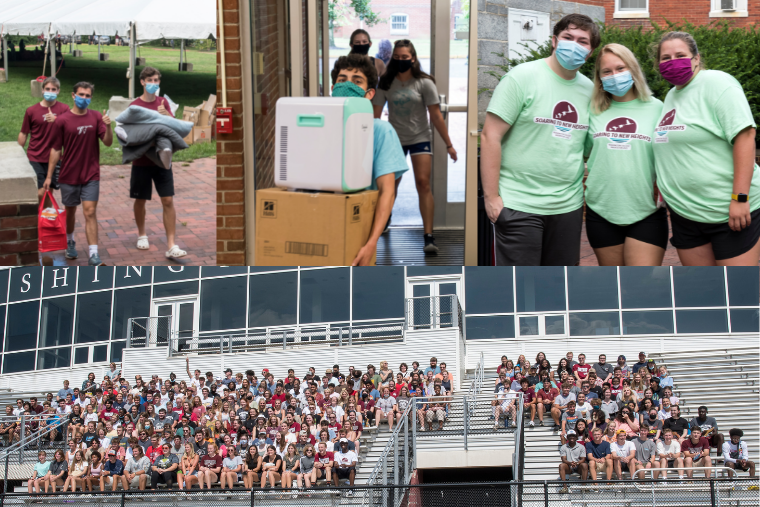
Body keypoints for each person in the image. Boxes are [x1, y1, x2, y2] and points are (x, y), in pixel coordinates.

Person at [481, 13, 600, 265]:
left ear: (590, 52)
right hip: (518, 203)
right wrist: (491, 198)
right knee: (517, 289)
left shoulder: (590, 90)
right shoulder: (521, 77)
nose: (574, 44)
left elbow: (587, 147)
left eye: (583, 41)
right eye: (568, 37)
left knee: (558, 287)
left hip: (567, 206)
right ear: (554, 41)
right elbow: (490, 135)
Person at [651, 31, 760, 266]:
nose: (672, 62)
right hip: (686, 215)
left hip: (727, 212)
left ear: (696, 58)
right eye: (665, 58)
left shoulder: (717, 83)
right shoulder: (671, 96)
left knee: (736, 295)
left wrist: (740, 198)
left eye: (680, 55)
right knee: (703, 295)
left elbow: (745, 135)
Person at [373, 39, 458, 254]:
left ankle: (429, 236)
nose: (401, 61)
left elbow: (436, 116)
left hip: (420, 137)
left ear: (413, 58)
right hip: (394, 139)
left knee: (423, 184)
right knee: (391, 185)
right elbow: (374, 114)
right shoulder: (386, 82)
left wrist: (449, 145)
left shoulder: (424, 83)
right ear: (393, 58)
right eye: (397, 57)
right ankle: (384, 220)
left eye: (405, 57)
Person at [585, 46, 668, 264]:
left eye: (620, 68)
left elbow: (671, 152)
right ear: (599, 78)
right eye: (607, 71)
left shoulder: (658, 108)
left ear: (633, 70)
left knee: (641, 287)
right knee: (613, 286)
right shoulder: (592, 110)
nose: (614, 76)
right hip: (601, 209)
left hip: (645, 209)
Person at [329, 54, 408, 266]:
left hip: (357, 231)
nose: (347, 85)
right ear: (333, 87)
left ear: (369, 93)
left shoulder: (380, 131)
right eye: (342, 79)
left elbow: (387, 191)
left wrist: (371, 243)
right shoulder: (320, 127)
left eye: (357, 81)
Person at [44, 81, 113, 265]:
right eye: (81, 94)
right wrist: (49, 176)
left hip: (91, 174)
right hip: (69, 175)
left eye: (88, 95)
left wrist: (109, 126)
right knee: (71, 211)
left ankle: (93, 254)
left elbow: (107, 142)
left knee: (90, 212)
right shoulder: (62, 120)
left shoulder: (97, 117)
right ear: (73, 95)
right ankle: (70, 241)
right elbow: (56, 150)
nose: (84, 98)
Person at [128, 66, 187, 259]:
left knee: (168, 200)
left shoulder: (163, 103)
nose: (154, 84)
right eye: (150, 80)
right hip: (142, 162)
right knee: (140, 199)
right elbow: (130, 133)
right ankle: (142, 234)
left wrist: (166, 115)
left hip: (162, 161)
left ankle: (171, 245)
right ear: (142, 82)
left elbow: (174, 128)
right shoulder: (134, 106)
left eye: (156, 80)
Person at [18, 76, 69, 202]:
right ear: (42, 90)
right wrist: (19, 154)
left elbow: (70, 130)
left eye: (53, 89)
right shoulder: (31, 111)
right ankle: (37, 216)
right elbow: (24, 133)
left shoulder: (64, 109)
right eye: (47, 89)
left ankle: (46, 219)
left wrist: (57, 120)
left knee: (48, 192)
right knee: (40, 192)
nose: (50, 92)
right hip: (35, 155)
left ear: (58, 91)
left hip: (55, 157)